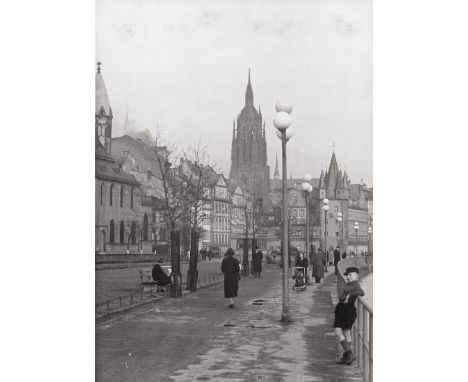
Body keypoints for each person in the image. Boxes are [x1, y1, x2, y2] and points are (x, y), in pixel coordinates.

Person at [333, 266, 365, 365]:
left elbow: (361, 292)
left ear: (356, 276)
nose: (348, 277)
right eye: (347, 275)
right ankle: (347, 356)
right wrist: (347, 295)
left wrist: (350, 295)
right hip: (344, 310)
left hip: (347, 310)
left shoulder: (355, 284)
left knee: (338, 331)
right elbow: (342, 297)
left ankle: (349, 354)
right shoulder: (350, 284)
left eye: (350, 275)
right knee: (346, 332)